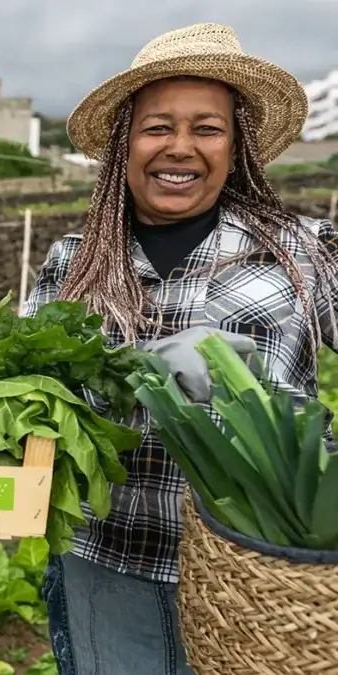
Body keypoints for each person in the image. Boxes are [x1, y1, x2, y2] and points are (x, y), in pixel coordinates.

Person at [21, 23, 338, 675]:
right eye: (158, 126)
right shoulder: (72, 265)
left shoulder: (303, 252)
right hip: (106, 568)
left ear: (237, 142)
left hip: (259, 581)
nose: (181, 148)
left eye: (207, 128)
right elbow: (26, 405)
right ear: (126, 142)